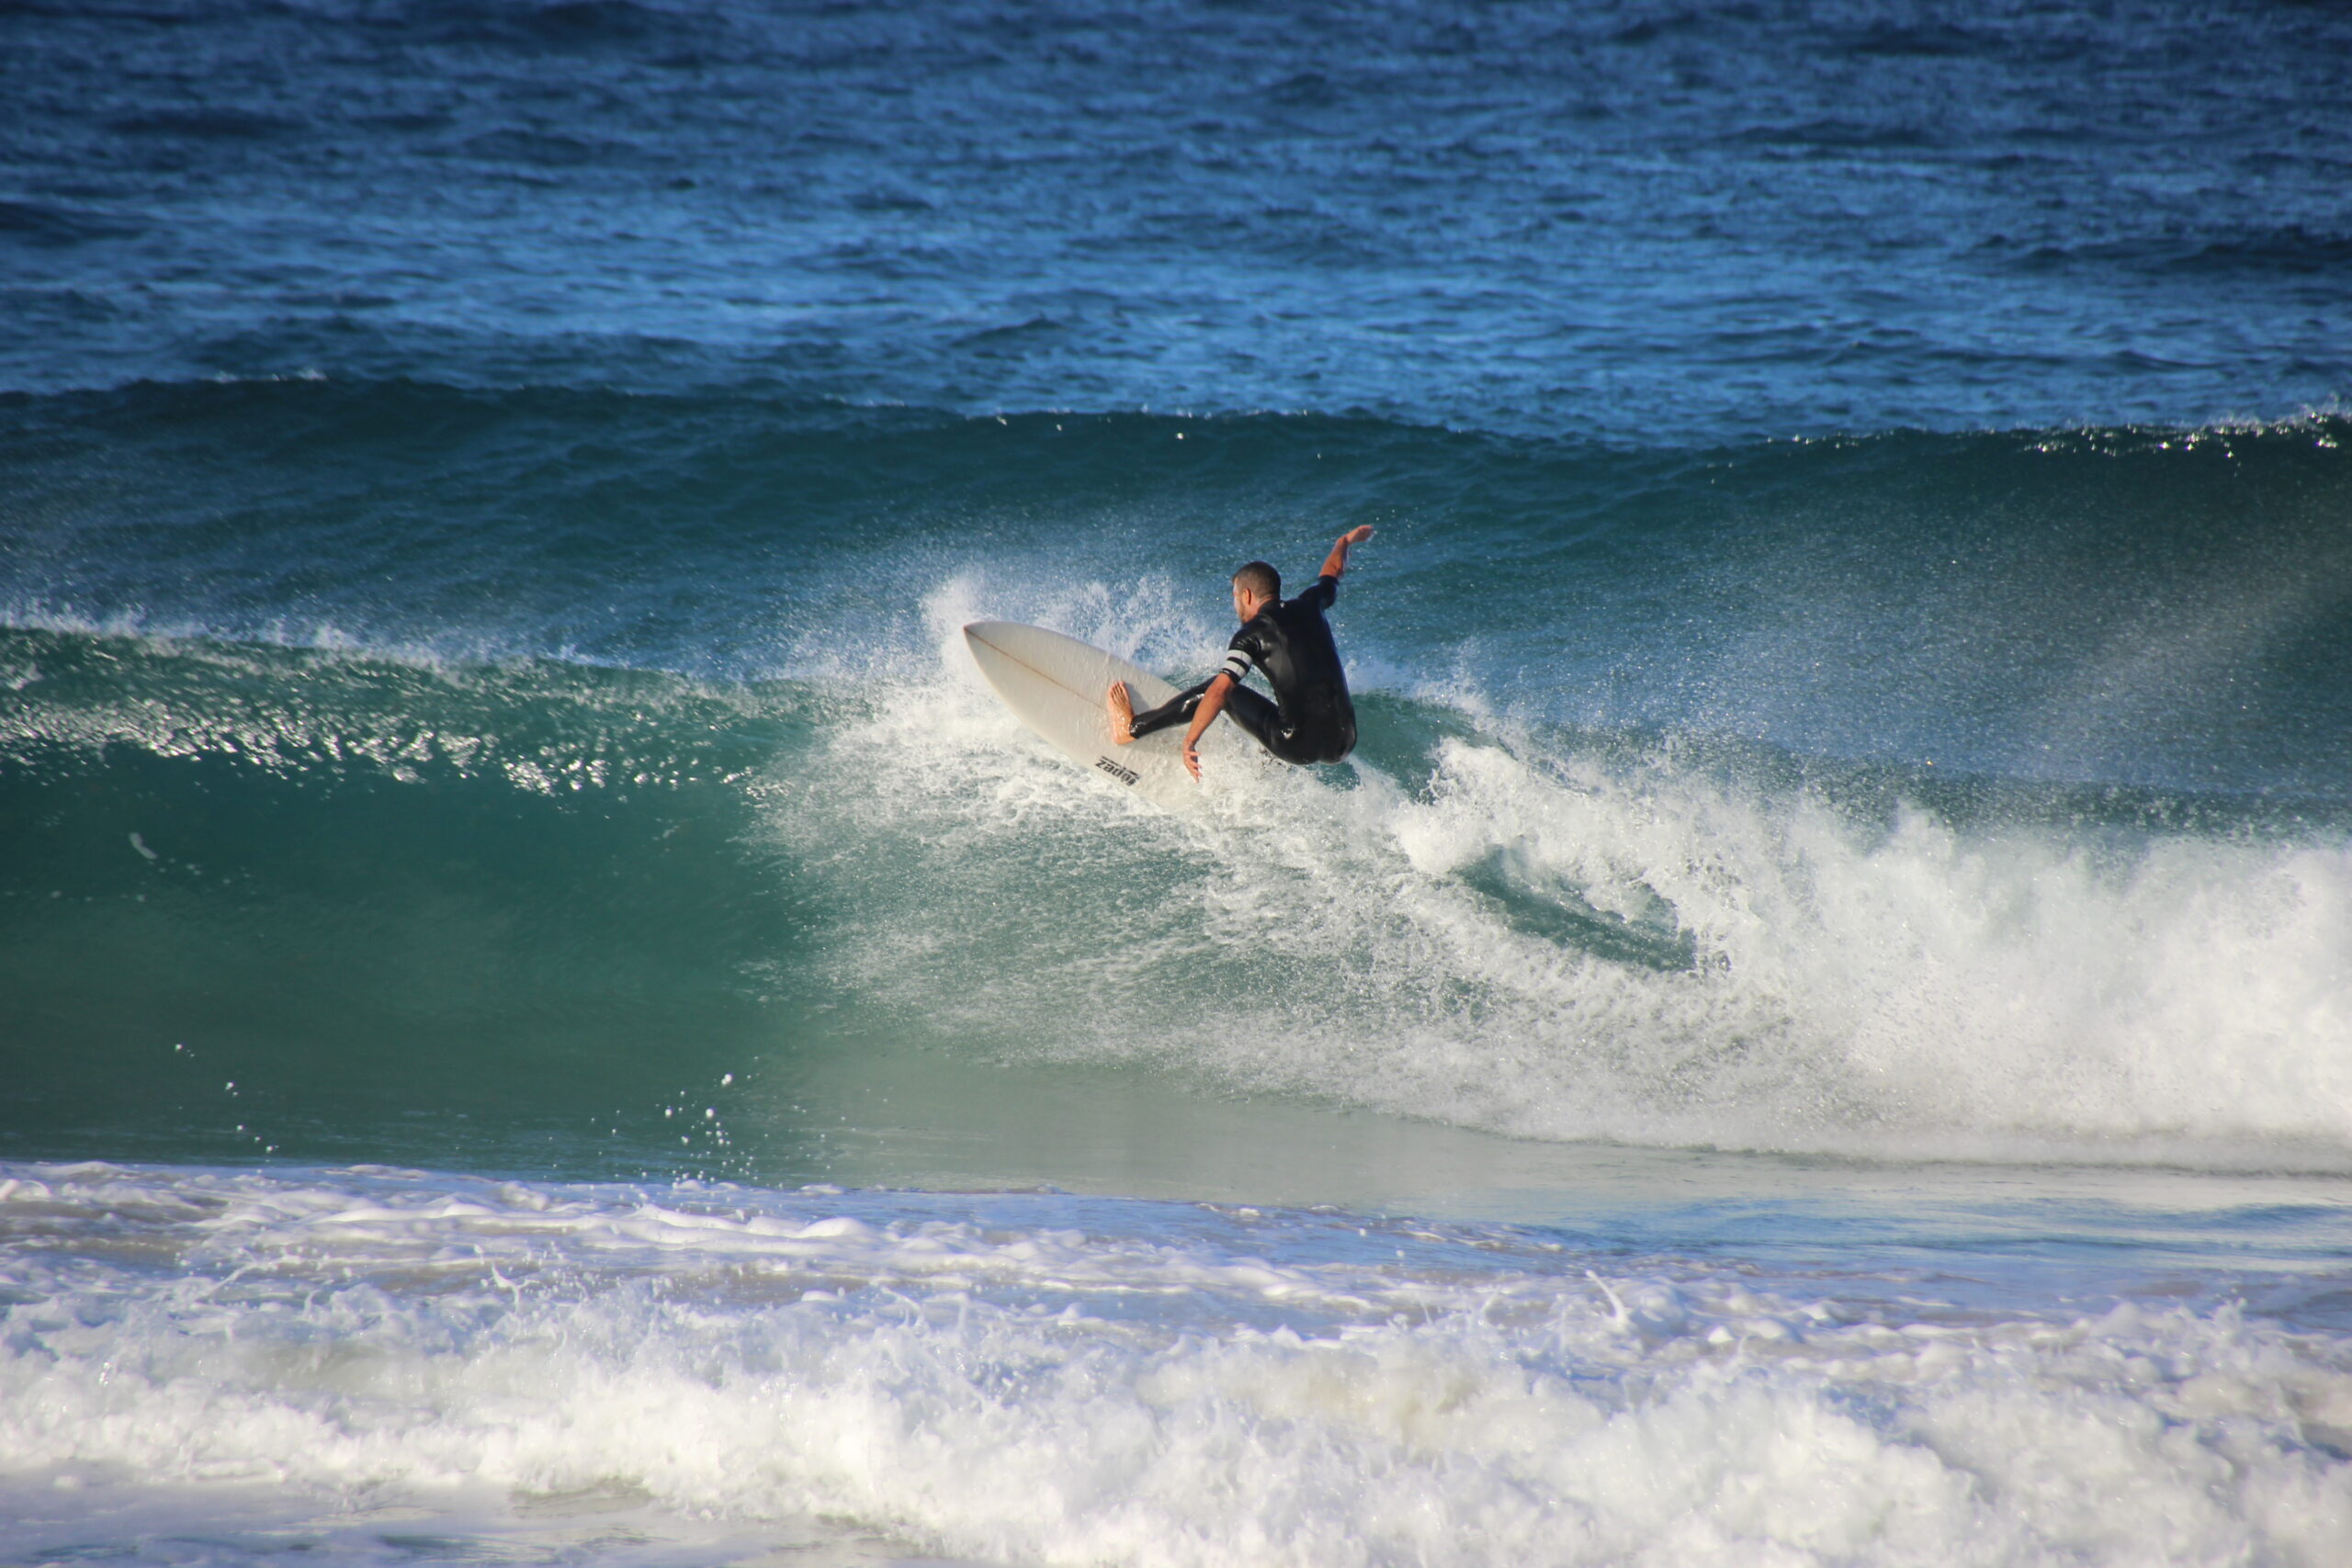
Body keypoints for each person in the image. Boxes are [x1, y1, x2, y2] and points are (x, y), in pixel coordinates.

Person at [1107, 525, 1374, 780]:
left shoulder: (1251, 635)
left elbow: (1220, 692)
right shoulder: (1312, 604)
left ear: (1247, 595)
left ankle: (1132, 728)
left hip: (1296, 746)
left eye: (1234, 596)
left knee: (1223, 689)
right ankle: (1267, 765)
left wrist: (1190, 740)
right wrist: (1344, 542)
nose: (1235, 605)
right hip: (1343, 742)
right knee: (1290, 704)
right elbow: (1333, 572)